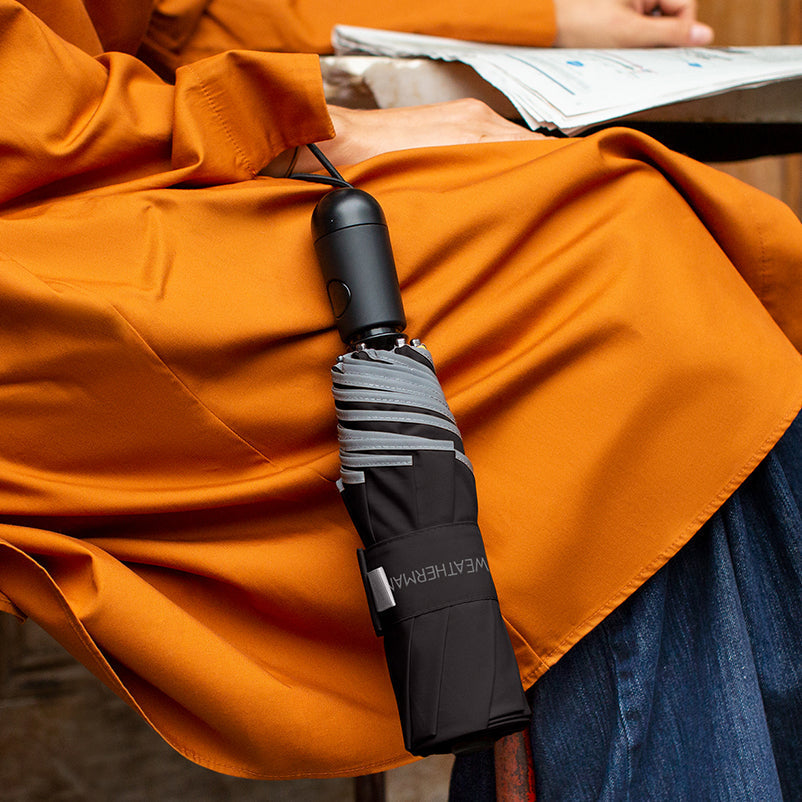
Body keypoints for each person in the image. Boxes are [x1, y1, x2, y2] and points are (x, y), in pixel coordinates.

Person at [0, 0, 800, 795]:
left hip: (93, 163)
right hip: (41, 240)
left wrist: (553, 24)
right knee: (596, 269)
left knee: (652, 251)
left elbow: (184, 25)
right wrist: (303, 125)